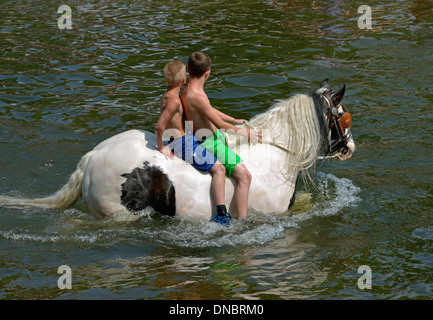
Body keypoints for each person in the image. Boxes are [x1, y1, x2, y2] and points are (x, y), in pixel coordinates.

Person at [180, 52, 260, 220]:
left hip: (208, 138)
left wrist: (232, 119)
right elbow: (222, 126)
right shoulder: (199, 96)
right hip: (210, 143)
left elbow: (209, 110)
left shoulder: (187, 91)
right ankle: (243, 221)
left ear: (188, 70)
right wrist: (246, 133)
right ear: (207, 73)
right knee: (245, 176)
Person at [155, 59, 231, 224]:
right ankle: (221, 214)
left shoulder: (168, 96)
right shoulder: (175, 100)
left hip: (178, 139)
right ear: (183, 80)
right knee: (219, 169)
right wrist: (162, 147)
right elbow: (159, 126)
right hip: (182, 143)